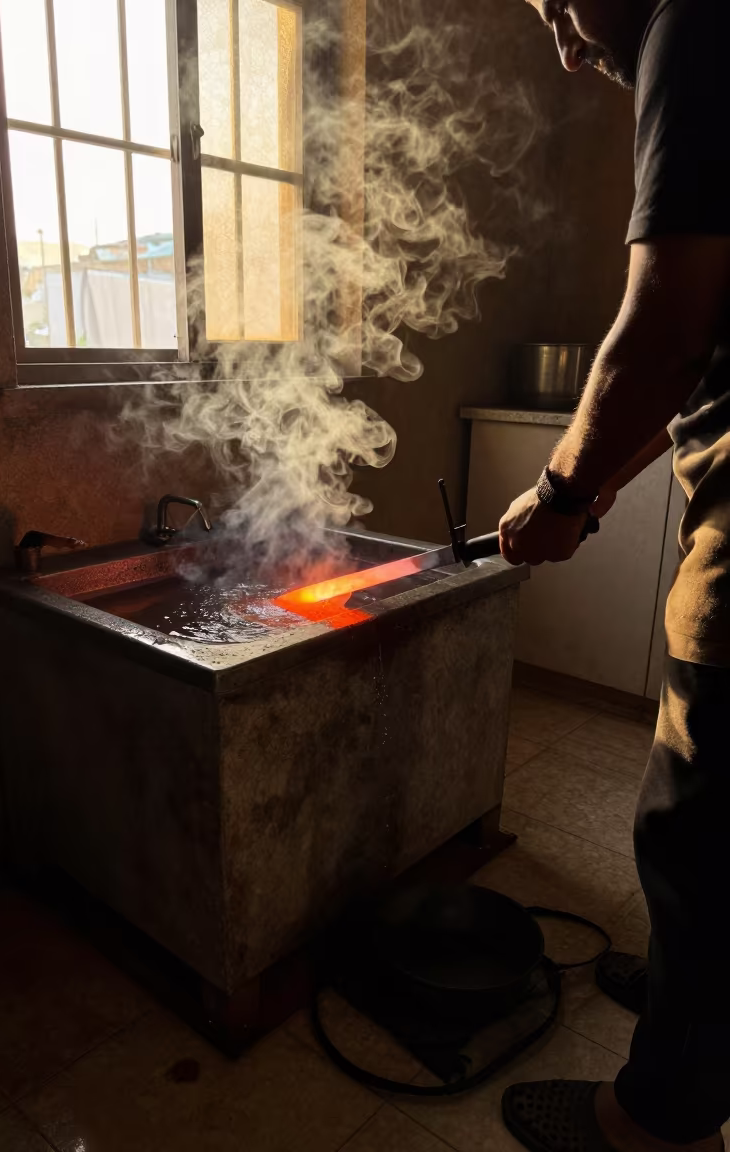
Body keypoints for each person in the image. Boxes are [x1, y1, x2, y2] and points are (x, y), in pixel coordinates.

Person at [498, 1, 730, 1149]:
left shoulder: (696, 22)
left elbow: (660, 334)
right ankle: (702, 1009)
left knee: (693, 835)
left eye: (556, 3)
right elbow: (696, 364)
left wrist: (560, 496)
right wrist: (600, 488)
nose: (566, 44)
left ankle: (657, 1117)